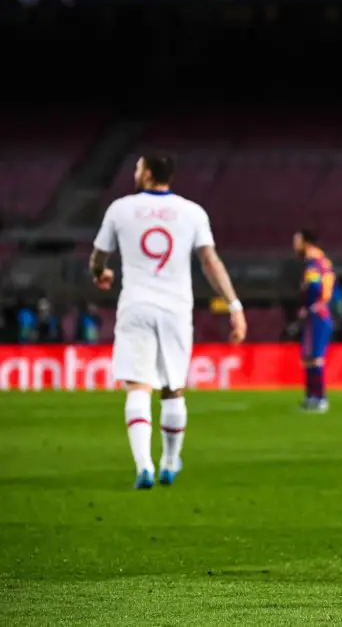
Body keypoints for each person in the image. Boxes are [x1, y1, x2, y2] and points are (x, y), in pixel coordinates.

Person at [91, 154, 247, 490]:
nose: (135, 173)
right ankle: (170, 461)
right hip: (175, 308)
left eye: (137, 168)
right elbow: (210, 261)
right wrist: (234, 305)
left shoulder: (120, 209)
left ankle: (143, 465)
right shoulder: (192, 212)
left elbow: (98, 256)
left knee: (138, 386)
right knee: (173, 387)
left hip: (136, 305)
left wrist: (100, 273)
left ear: (147, 174)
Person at [293, 229, 336, 413]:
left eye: (297, 241)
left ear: (306, 243)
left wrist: (308, 305)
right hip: (317, 313)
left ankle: (319, 398)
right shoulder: (321, 261)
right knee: (308, 357)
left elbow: (315, 287)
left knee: (315, 357)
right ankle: (312, 397)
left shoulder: (314, 263)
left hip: (317, 314)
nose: (294, 245)